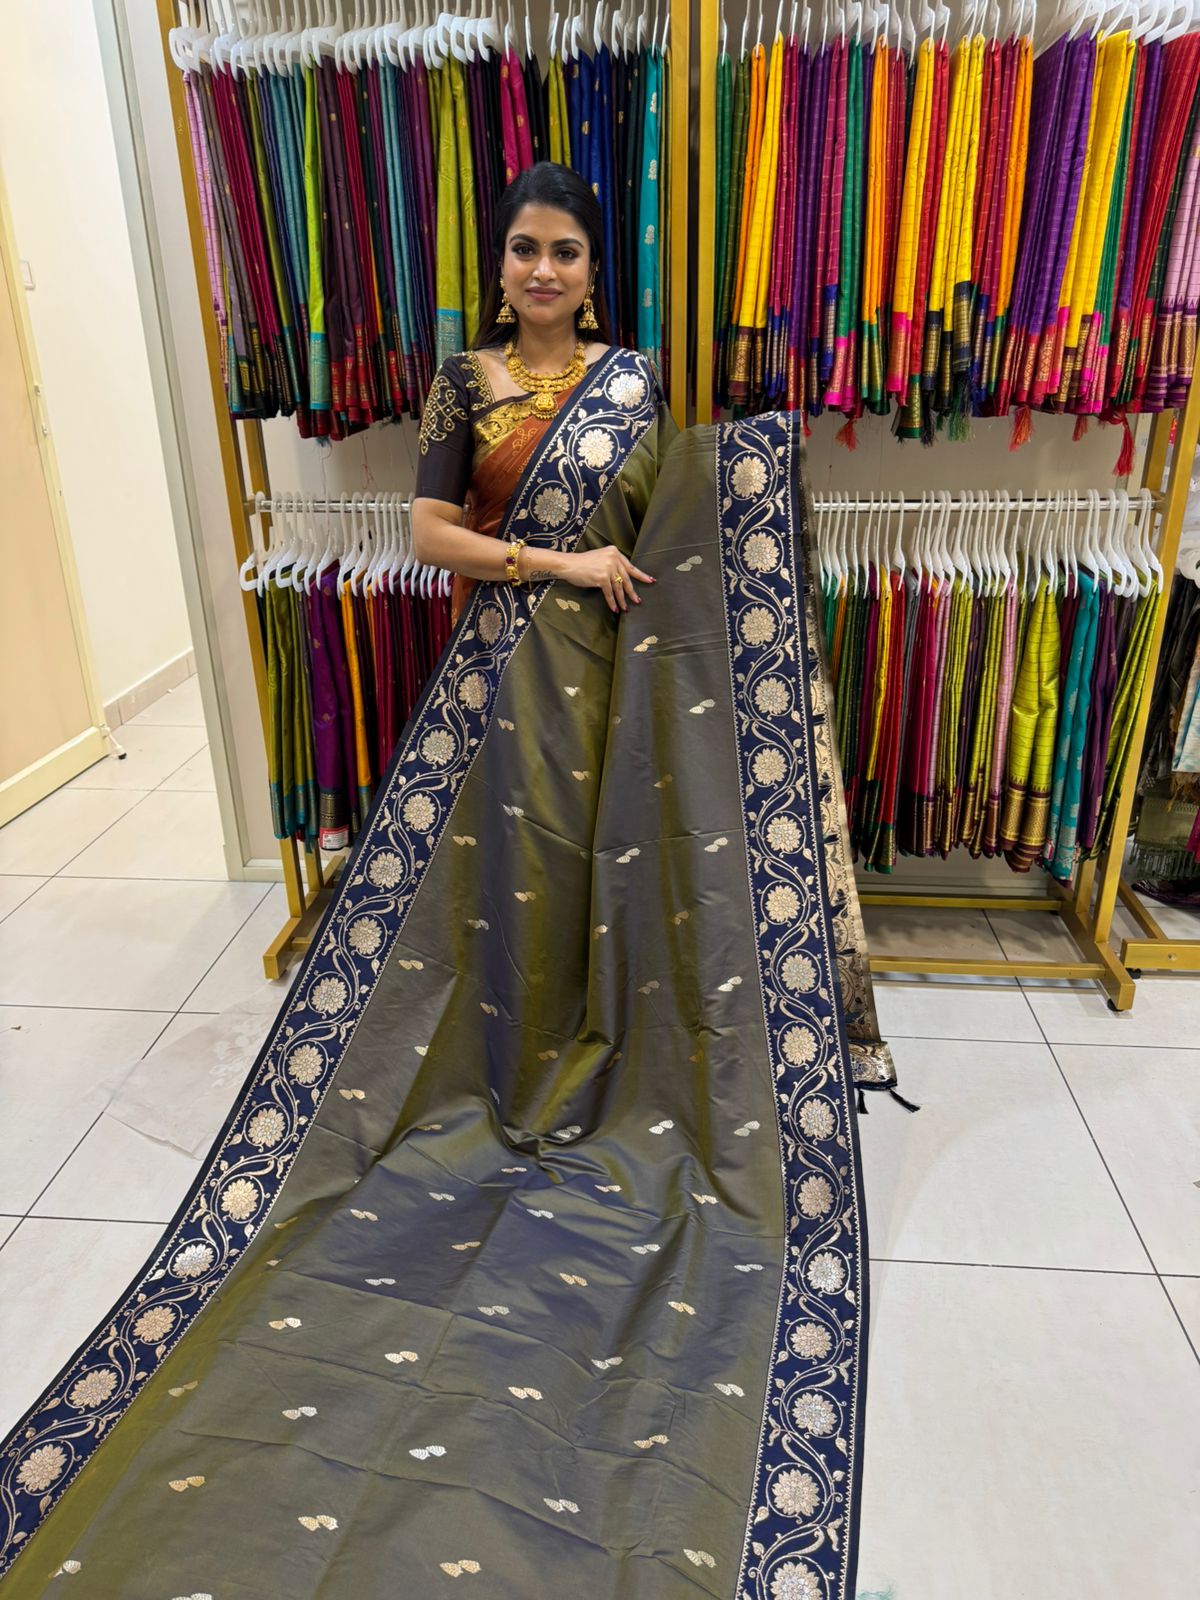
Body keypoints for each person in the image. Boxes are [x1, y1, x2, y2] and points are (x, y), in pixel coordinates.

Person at [411, 163, 671, 627]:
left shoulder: (632, 378)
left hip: (611, 633)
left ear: (591, 269)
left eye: (565, 253)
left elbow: (668, 519)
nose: (544, 271)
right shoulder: (462, 379)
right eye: (525, 249)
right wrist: (562, 565)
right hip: (499, 642)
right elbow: (430, 536)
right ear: (501, 263)